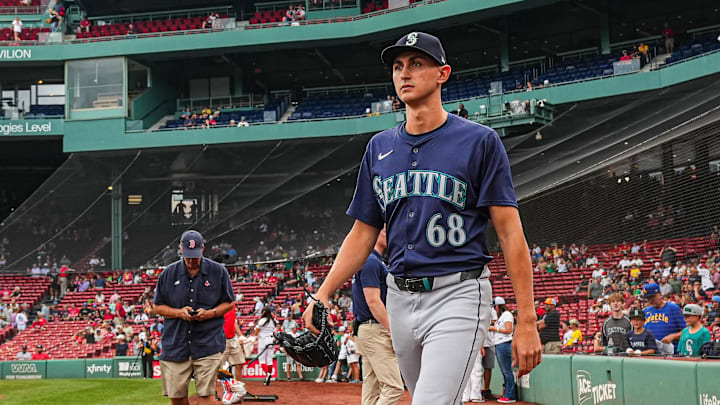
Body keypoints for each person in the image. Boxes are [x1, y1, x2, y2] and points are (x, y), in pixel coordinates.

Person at [303, 31, 541, 405]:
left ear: (442, 73)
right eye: (398, 66)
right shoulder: (379, 147)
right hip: (398, 297)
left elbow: (511, 235)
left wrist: (526, 320)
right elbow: (363, 231)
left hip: (458, 293)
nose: (404, 73)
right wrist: (322, 293)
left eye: (416, 64)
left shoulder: (480, 141)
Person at [152, 230, 235, 405]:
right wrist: (178, 313)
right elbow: (157, 306)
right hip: (175, 344)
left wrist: (210, 313)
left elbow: (229, 303)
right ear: (180, 249)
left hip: (208, 342)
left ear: (203, 248)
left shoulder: (218, 271)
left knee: (206, 397)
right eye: (188, 256)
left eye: (195, 256)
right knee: (178, 398)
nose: (191, 261)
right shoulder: (168, 273)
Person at [352, 228, 403, 405]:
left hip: (367, 329)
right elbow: (373, 301)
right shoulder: (371, 261)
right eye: (387, 230)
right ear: (377, 233)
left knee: (371, 389)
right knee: (394, 387)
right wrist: (393, 331)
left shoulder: (370, 260)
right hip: (375, 330)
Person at [643, 283, 685, 354]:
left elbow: (687, 331)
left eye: (652, 297)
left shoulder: (673, 308)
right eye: (648, 298)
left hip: (671, 353)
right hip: (651, 353)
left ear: (660, 293)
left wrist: (673, 336)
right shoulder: (646, 311)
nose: (650, 301)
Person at [489, 297, 515, 404]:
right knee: (505, 371)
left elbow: (509, 330)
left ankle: (510, 395)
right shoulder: (501, 316)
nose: (494, 309)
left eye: (495, 307)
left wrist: (495, 328)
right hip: (499, 344)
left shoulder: (507, 315)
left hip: (504, 344)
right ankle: (507, 394)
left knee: (507, 371)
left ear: (498, 306)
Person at [220, 306, 246, 381]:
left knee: (239, 363)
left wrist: (241, 335)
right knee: (217, 367)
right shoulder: (219, 305)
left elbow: (233, 322)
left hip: (233, 339)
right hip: (222, 340)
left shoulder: (232, 306)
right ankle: (212, 390)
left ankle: (239, 387)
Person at [254, 306, 277, 386]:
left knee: (262, 360)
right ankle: (269, 375)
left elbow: (256, 332)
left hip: (262, 340)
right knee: (269, 360)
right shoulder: (273, 321)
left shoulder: (262, 320)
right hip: (271, 340)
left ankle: (267, 374)